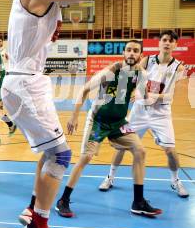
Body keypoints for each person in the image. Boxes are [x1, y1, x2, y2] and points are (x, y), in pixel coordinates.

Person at [2, 0, 153, 228]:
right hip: (24, 82)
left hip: (31, 81)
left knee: (50, 150)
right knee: (61, 155)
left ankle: (31, 210)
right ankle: (36, 227)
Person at [55, 40, 162, 218]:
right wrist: (74, 116)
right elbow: (84, 89)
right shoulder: (112, 71)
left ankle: (138, 202)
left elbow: (144, 95)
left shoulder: (141, 74)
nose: (131, 54)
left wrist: (147, 93)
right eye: (128, 50)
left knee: (140, 150)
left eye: (135, 51)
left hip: (119, 123)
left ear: (140, 56)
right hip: (98, 121)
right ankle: (63, 200)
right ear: (123, 53)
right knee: (86, 157)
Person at [99, 30, 189, 198]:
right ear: (159, 43)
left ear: (176, 44)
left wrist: (148, 95)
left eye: (171, 41)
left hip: (161, 115)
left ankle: (175, 180)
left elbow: (170, 96)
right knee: (121, 146)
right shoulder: (148, 60)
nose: (167, 43)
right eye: (164, 40)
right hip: (139, 112)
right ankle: (110, 177)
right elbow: (132, 75)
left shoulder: (179, 67)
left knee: (170, 150)